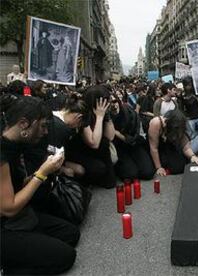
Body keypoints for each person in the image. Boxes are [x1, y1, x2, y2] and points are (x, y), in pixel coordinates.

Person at [0, 95, 79, 274]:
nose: (45, 132)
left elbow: (19, 186)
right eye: (42, 126)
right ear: (23, 124)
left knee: (70, 233)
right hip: (6, 223)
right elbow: (8, 207)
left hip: (19, 217)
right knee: (65, 257)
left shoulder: (17, 144)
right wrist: (42, 172)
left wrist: (48, 171)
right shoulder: (2, 153)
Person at [65, 85, 116, 189]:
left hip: (92, 151)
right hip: (77, 152)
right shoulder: (83, 113)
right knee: (99, 168)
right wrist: (100, 117)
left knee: (105, 143)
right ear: (97, 102)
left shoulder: (101, 113)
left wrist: (107, 116)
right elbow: (93, 143)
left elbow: (110, 137)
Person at [110, 95, 155, 180]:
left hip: (134, 144)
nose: (114, 105)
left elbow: (136, 135)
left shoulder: (129, 112)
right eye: (110, 103)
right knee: (131, 175)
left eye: (115, 101)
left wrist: (119, 134)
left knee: (148, 173)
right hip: (119, 148)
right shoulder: (106, 117)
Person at [148, 109, 198, 176]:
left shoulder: (180, 125)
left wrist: (192, 156)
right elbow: (153, 148)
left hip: (170, 144)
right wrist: (159, 167)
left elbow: (185, 146)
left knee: (179, 167)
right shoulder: (156, 123)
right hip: (157, 146)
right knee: (162, 163)